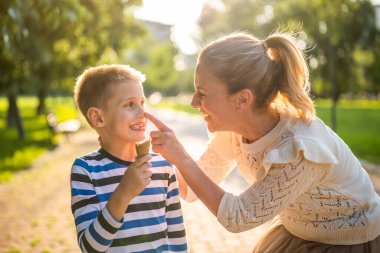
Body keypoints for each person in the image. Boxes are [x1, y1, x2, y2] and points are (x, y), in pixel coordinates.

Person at [145, 31, 380, 253]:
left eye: (203, 93)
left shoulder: (300, 148)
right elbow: (190, 187)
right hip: (300, 229)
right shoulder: (233, 132)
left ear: (242, 99)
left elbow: (239, 217)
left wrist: (183, 158)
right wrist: (143, 165)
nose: (194, 102)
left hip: (349, 240)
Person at [70, 64, 188, 253]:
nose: (142, 113)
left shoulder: (163, 166)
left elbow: (176, 235)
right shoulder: (85, 170)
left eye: (142, 103)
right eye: (130, 104)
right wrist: (123, 194)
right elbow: (90, 247)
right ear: (98, 118)